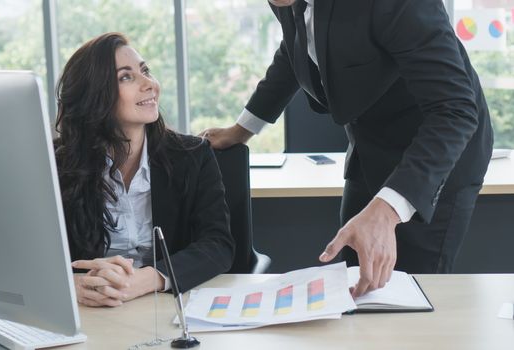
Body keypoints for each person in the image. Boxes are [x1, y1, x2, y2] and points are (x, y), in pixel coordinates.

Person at [201, 0, 493, 297]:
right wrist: (242, 130)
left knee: (411, 296)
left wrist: (388, 210)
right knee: (357, 284)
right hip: (370, 144)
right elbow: (296, 48)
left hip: (435, 154)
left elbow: (455, 110)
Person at [54, 32, 235, 307]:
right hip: (92, 310)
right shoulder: (57, 164)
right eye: (126, 77)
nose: (149, 84)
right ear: (94, 95)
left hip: (168, 307)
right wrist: (70, 284)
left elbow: (218, 244)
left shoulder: (192, 156)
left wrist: (151, 278)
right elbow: (25, 253)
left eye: (145, 71)